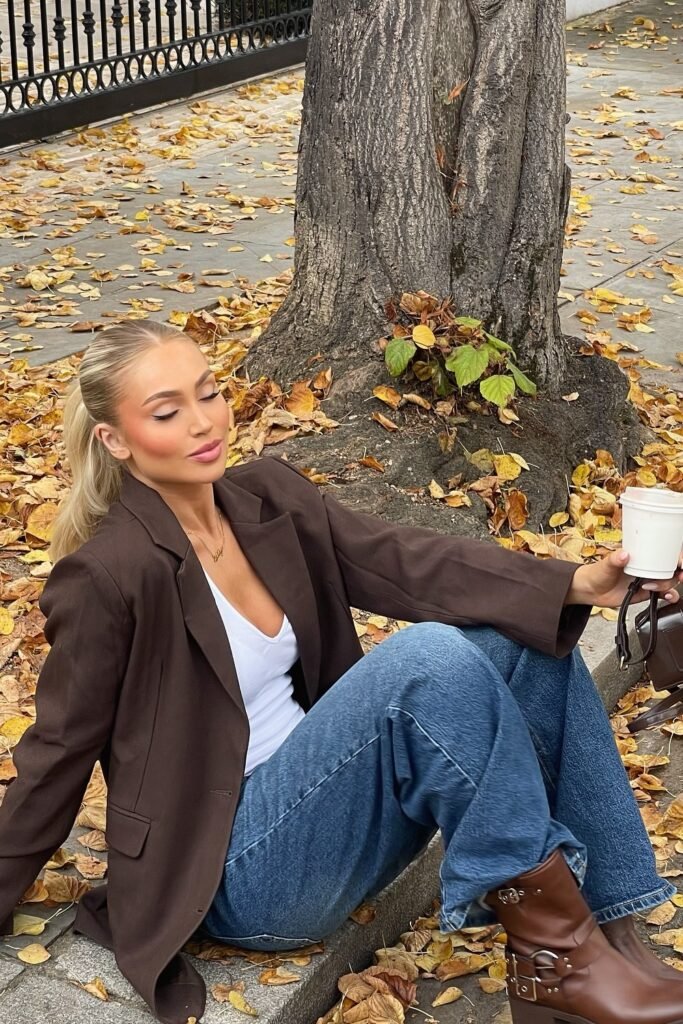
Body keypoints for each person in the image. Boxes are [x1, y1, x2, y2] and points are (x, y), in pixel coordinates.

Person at [0, 322, 681, 1024]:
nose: (204, 422)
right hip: (231, 870)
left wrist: (577, 584)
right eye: (168, 412)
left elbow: (402, 561)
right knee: (426, 663)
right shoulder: (109, 575)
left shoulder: (266, 498)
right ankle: (556, 962)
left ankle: (612, 939)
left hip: (330, 807)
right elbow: (57, 750)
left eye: (209, 393)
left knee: (528, 640)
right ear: (116, 438)